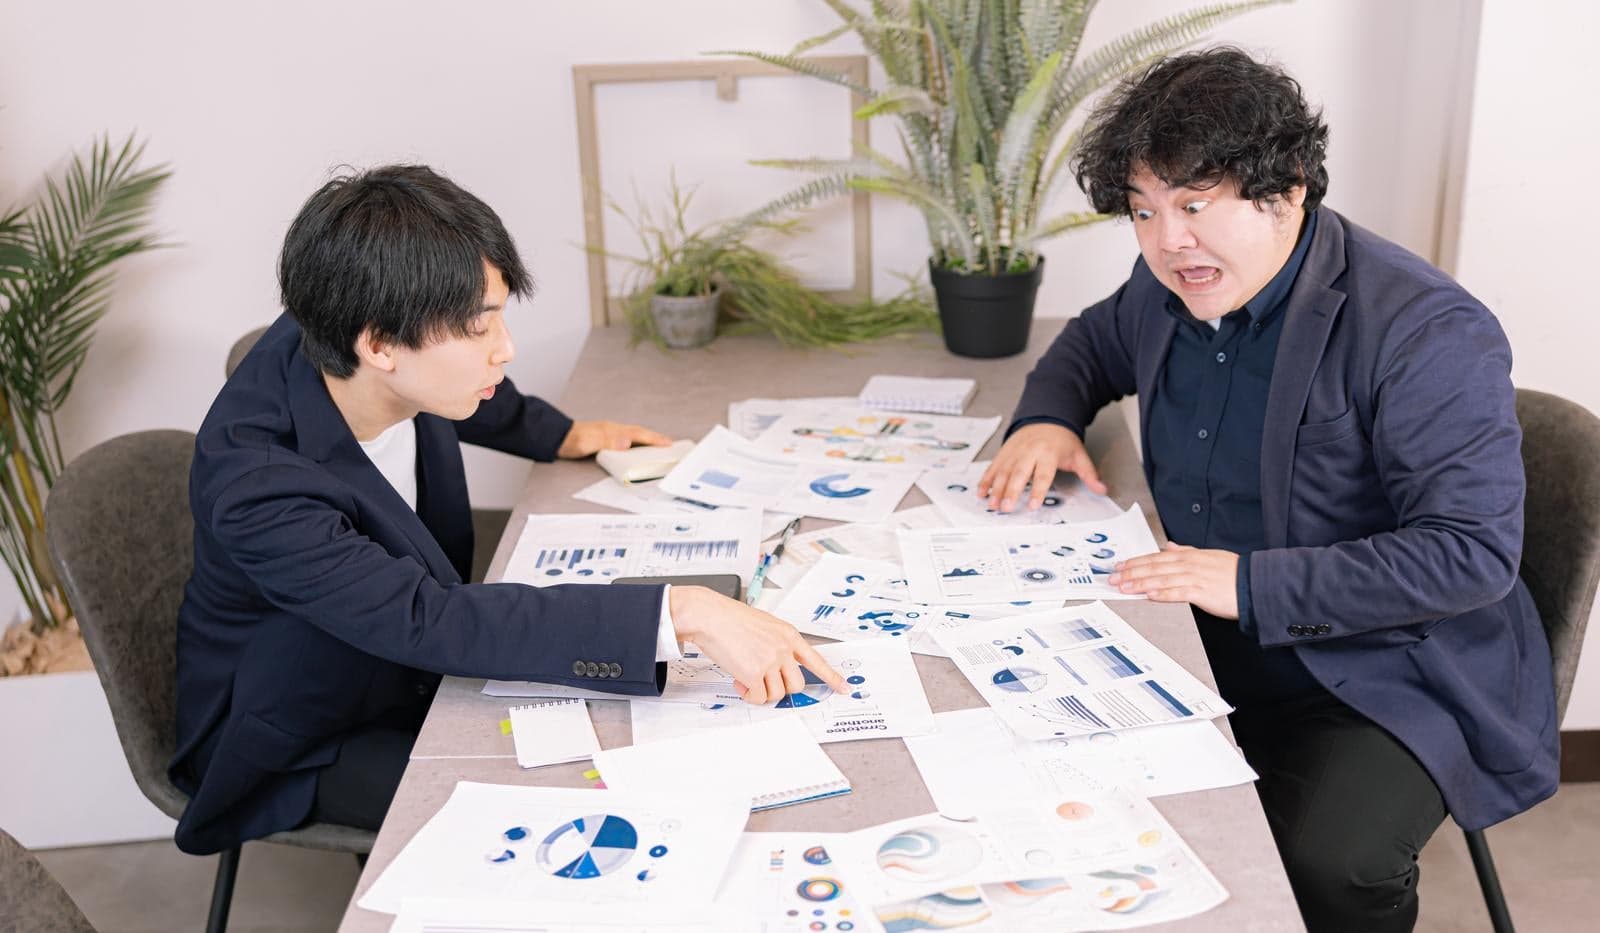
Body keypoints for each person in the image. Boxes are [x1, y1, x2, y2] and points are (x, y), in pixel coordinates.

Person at [979, 48, 1557, 932]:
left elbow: (1467, 554)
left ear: (1285, 189)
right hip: (1208, 632)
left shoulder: (1422, 329)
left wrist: (1249, 583)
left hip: (1386, 664)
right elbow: (1093, 342)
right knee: (1033, 778)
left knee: (1333, 862)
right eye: (1144, 210)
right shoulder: (1171, 285)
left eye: (1194, 204)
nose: (1168, 240)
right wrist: (1047, 418)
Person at [170, 164, 845, 856]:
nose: (505, 348)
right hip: (302, 731)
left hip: (393, 662)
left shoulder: (343, 313)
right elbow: (428, 619)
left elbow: (466, 389)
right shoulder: (257, 485)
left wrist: (561, 435)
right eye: (476, 327)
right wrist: (684, 611)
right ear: (378, 344)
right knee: (580, 801)